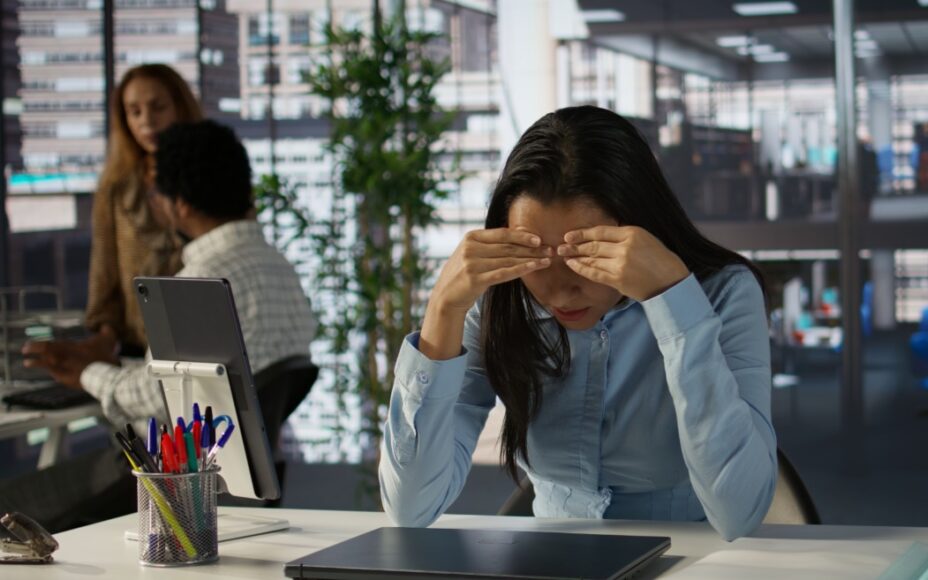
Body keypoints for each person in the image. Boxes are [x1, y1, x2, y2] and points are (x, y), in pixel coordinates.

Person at [378, 106, 776, 541]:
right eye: (536, 258)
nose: (560, 291)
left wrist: (675, 302)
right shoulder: (500, 301)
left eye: (585, 258)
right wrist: (442, 312)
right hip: (550, 563)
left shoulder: (724, 293)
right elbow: (409, 509)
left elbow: (739, 514)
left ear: (637, 232)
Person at [8, 120, 316, 532]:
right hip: (225, 486)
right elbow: (197, 379)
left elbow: (156, 400)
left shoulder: (201, 282)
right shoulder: (281, 267)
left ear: (180, 204)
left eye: (155, 193)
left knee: (8, 504)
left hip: (167, 487)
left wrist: (84, 372)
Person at [24, 65, 202, 374]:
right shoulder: (116, 187)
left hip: (203, 341)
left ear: (180, 107)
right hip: (137, 350)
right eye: (134, 111)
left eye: (158, 107)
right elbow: (103, 274)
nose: (147, 121)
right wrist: (102, 339)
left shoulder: (213, 179)